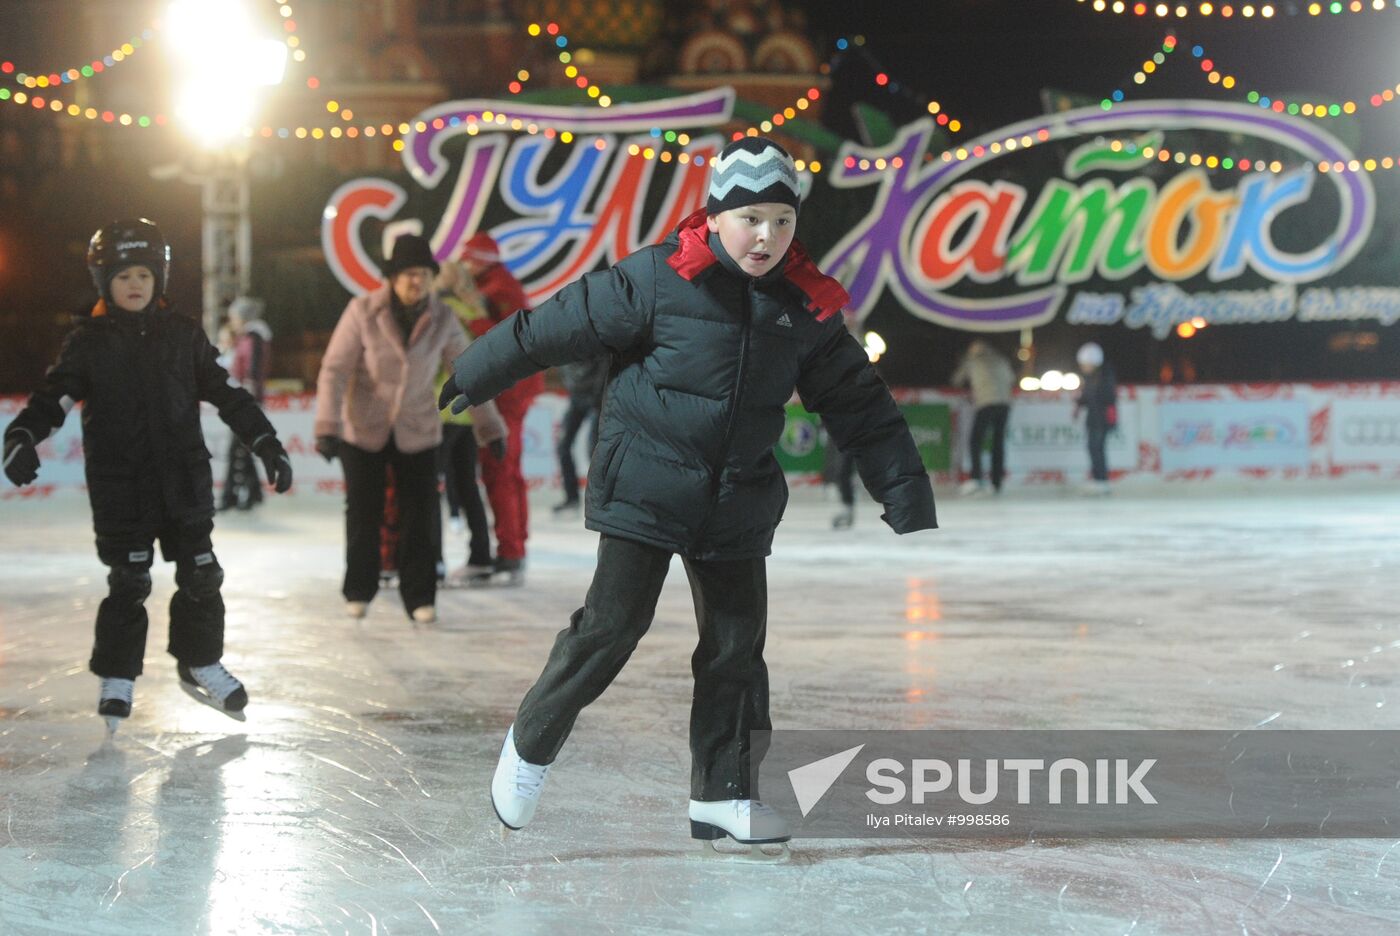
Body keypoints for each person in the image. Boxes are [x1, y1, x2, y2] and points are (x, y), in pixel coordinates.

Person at [439, 137, 937, 850]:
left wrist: (903, 487)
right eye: (750, 219)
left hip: (737, 499)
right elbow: (558, 323)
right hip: (647, 485)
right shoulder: (658, 277)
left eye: (782, 221)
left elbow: (859, 400)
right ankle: (529, 746)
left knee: (736, 649)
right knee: (611, 629)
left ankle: (724, 793)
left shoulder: (803, 306)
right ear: (716, 216)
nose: (766, 236)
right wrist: (476, 369)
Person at [1, 219, 293, 731]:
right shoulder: (88, 342)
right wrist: (22, 435)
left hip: (183, 480)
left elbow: (228, 396)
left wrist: (266, 442)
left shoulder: (182, 335)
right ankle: (117, 675)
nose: (134, 284)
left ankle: (199, 661)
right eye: (122, 276)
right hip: (122, 488)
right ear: (104, 282)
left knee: (202, 573)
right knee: (129, 581)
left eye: (143, 274)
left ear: (159, 277)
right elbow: (54, 398)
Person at [314, 234, 505, 624]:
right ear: (392, 277)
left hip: (417, 427)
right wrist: (327, 425)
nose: (416, 282)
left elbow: (468, 372)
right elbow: (335, 370)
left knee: (421, 515)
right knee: (363, 512)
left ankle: (420, 596)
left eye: (423, 274)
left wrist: (491, 428)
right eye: (408, 274)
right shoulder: (362, 311)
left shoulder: (443, 317)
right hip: (364, 427)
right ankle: (359, 589)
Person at [460, 232, 543, 585]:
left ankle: (511, 551)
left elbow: (504, 340)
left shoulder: (497, 289)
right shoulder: (499, 284)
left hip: (508, 392)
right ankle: (515, 546)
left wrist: (473, 315)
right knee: (508, 470)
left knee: (500, 470)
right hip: (514, 389)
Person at [432, 260, 497, 585]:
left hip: (440, 408)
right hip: (470, 410)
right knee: (468, 485)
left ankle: (434, 560)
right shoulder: (476, 312)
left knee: (430, 486)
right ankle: (481, 555)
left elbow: (433, 361)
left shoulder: (440, 312)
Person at [220, 296, 274, 511]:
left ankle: (232, 497)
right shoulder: (248, 338)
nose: (232, 321)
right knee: (242, 448)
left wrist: (246, 402)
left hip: (246, 402)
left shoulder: (254, 338)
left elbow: (253, 371)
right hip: (244, 400)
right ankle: (252, 494)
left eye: (234, 317)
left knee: (237, 449)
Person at [950, 339, 1016, 496]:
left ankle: (976, 479)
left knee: (975, 441)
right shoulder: (1001, 359)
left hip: (986, 403)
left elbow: (956, 380)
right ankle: (997, 482)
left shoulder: (972, 361)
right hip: (1004, 404)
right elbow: (1012, 378)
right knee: (998, 443)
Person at [552, 355, 609, 516]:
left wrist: (599, 394)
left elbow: (605, 363)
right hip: (577, 397)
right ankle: (572, 498)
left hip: (598, 397)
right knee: (563, 446)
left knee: (595, 450)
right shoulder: (561, 348)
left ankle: (601, 499)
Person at [1073, 341, 1118, 496]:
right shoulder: (1092, 378)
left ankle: (1101, 480)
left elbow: (1106, 397)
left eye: (1084, 364)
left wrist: (1085, 399)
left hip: (1101, 419)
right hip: (1094, 418)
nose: (1082, 367)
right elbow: (1088, 397)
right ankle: (1099, 479)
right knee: (1094, 448)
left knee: (1097, 448)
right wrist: (1080, 402)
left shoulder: (1103, 377)